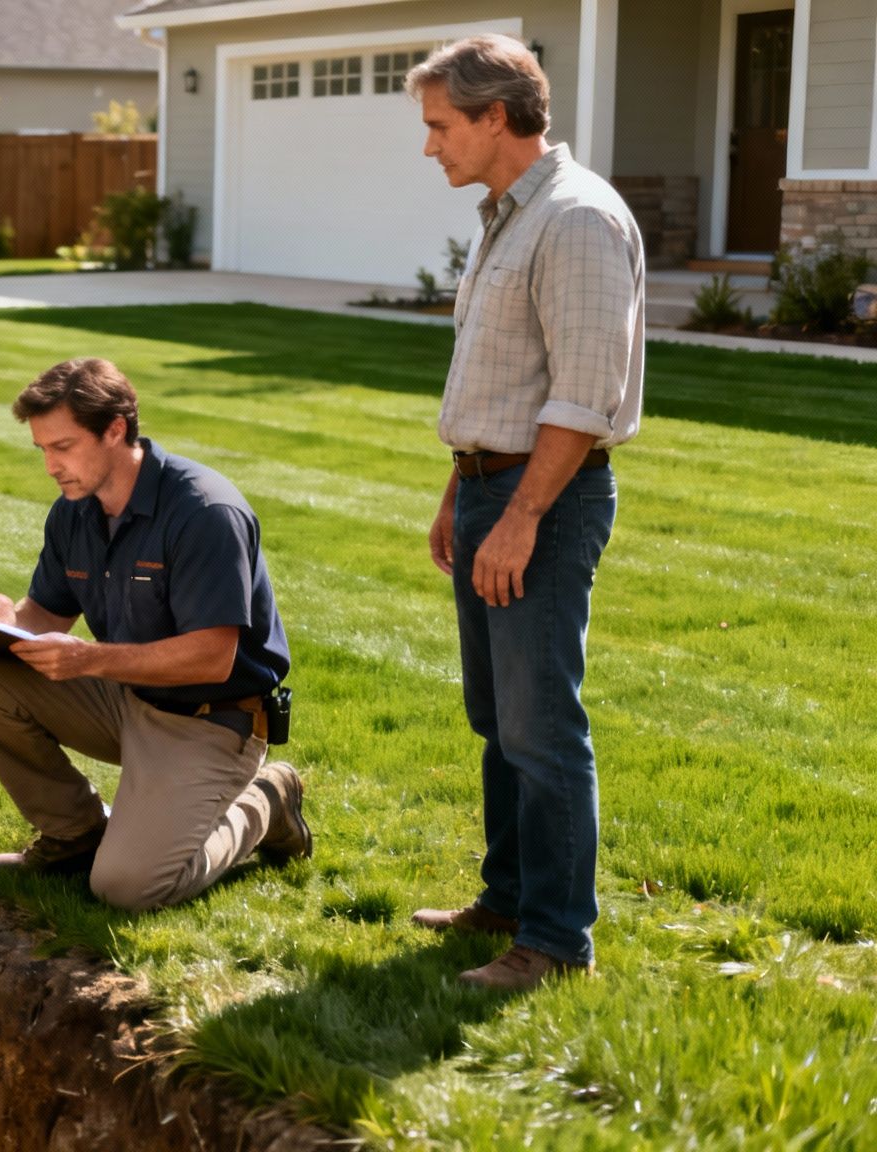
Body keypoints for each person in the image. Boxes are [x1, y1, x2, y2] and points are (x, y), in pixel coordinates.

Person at [403, 35, 644, 990]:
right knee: (498, 717)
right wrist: (462, 493)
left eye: (439, 126)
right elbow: (500, 375)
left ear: (495, 116)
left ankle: (552, 944)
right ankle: (505, 898)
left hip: (544, 497)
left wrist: (520, 516)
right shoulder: (509, 214)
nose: (431, 147)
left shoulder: (577, 220)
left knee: (541, 727)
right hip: (491, 485)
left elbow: (584, 398)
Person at [0, 357, 309, 912]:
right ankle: (76, 836)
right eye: (41, 449)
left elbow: (212, 657)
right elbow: (45, 615)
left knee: (128, 889)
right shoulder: (74, 512)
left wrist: (87, 661)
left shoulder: (204, 512)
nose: (49, 466)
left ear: (115, 430)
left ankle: (264, 803)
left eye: (61, 447)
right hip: (126, 699)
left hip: (212, 720)